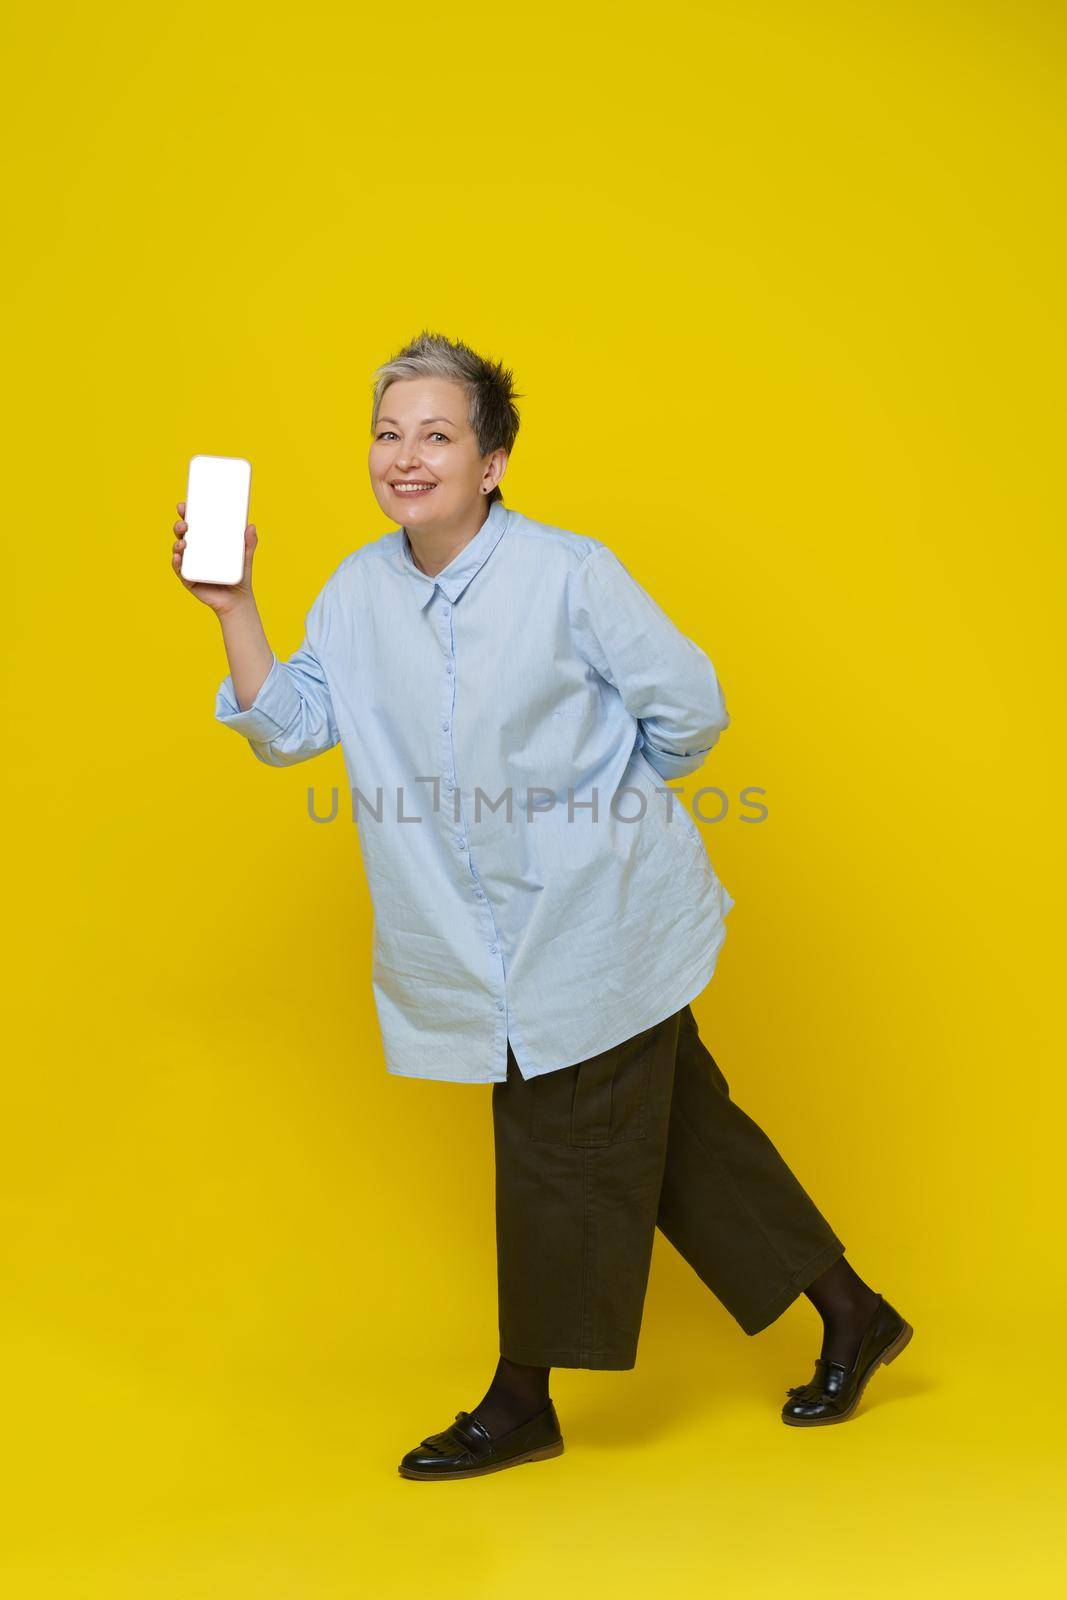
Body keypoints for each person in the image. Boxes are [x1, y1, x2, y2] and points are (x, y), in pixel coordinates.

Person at [172, 329, 913, 1482]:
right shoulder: (357, 592)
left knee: (556, 1141)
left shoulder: (569, 573)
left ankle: (522, 1399)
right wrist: (232, 603)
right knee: (682, 1145)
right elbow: (292, 727)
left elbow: (690, 709)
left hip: (599, 921)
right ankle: (853, 1311)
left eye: (437, 434)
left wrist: (601, 813)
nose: (405, 457)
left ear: (493, 459)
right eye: (386, 432)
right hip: (478, 942)